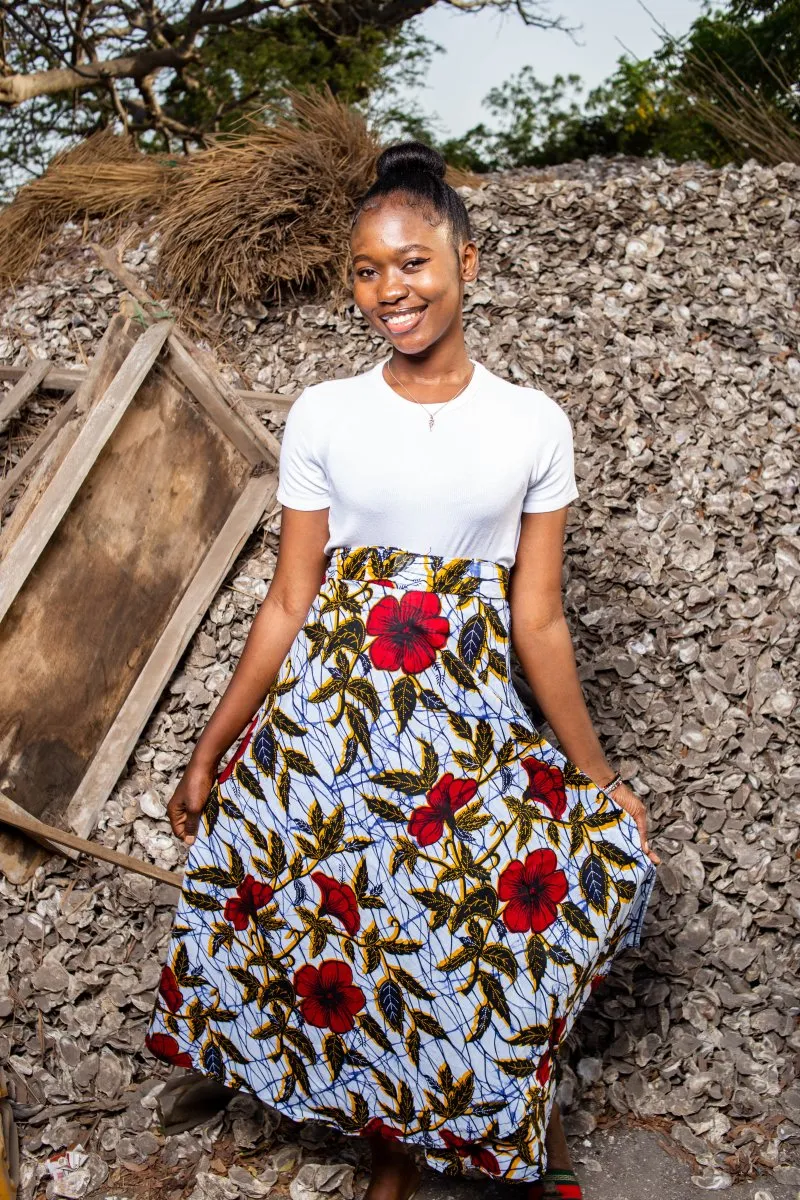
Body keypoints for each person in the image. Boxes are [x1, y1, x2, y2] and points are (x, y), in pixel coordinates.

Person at [147, 141, 659, 1200]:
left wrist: (598, 776)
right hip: (329, 725)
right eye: (369, 270)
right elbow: (290, 599)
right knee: (349, 923)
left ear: (465, 264)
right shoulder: (325, 413)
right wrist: (211, 749)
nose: (390, 290)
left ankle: (510, 1109)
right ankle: (387, 1155)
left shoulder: (530, 424)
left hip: (461, 721)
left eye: (412, 263)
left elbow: (540, 616)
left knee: (511, 901)